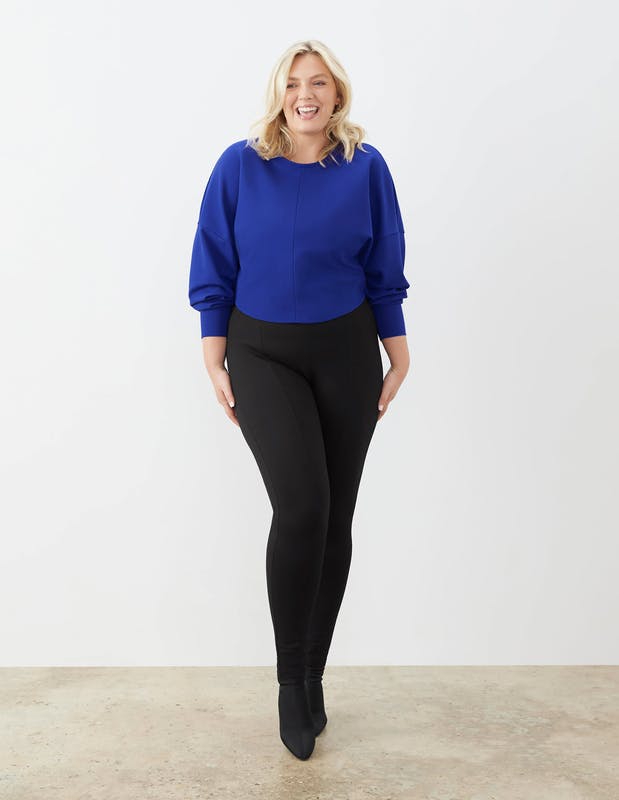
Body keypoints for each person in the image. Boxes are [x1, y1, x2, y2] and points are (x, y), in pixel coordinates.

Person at [188, 39, 411, 761]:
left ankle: (314, 673)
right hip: (261, 352)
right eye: (292, 83)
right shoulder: (239, 165)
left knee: (334, 517)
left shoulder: (366, 168)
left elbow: (384, 263)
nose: (304, 95)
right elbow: (214, 257)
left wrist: (398, 349)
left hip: (347, 349)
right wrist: (213, 351)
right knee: (302, 508)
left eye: (317, 83)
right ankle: (290, 683)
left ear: (336, 94)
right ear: (278, 94)